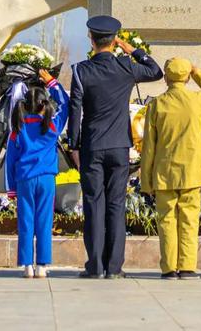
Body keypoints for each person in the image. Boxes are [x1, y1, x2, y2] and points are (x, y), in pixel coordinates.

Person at [67, 15, 163, 279]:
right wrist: (132, 50)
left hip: (92, 146)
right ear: (114, 41)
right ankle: (114, 268)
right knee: (116, 205)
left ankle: (95, 266)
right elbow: (156, 71)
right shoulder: (126, 67)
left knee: (93, 205)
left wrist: (73, 145)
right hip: (119, 146)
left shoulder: (80, 71)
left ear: (91, 39)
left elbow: (75, 111)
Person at [140, 57, 201, 280]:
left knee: (166, 220)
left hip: (165, 171)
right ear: (186, 77)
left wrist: (146, 181)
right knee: (189, 219)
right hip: (192, 171)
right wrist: (197, 73)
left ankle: (168, 268)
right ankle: (187, 267)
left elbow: (149, 146)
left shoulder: (156, 105)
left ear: (166, 78)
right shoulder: (198, 100)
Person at [5, 68, 69, 279]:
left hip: (24, 179)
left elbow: (11, 160)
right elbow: (65, 103)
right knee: (44, 220)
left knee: (25, 221)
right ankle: (42, 265)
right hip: (47, 179)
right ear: (44, 105)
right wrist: (51, 83)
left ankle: (26, 265)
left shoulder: (18, 128)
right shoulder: (51, 126)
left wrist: (11, 188)